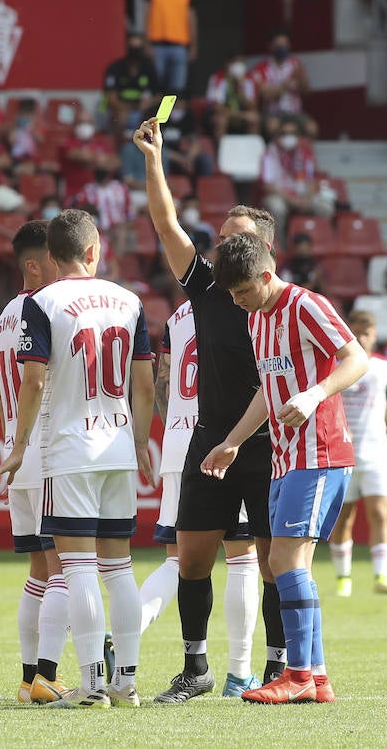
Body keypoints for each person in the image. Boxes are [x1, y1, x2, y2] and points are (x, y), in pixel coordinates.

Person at [131, 116, 288, 702]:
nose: (225, 245)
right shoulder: (206, 286)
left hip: (267, 445)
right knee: (192, 558)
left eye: (237, 238)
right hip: (208, 440)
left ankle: (277, 670)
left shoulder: (286, 301)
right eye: (222, 237)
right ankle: (195, 670)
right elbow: (165, 221)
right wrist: (154, 159)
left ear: (265, 249)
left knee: (273, 561)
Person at [0, 209, 155, 709]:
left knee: (74, 569)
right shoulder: (129, 300)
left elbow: (31, 380)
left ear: (51, 258)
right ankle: (127, 682)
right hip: (118, 446)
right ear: (95, 251)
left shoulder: (43, 302)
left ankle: (92, 684)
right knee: (120, 569)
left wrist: (17, 445)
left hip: (69, 449)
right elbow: (144, 383)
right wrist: (140, 441)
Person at [205, 230, 368, 705]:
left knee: (281, 562)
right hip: (285, 456)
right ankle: (315, 677)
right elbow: (267, 389)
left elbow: (357, 358)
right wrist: (233, 441)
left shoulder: (306, 305)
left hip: (319, 453)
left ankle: (295, 675)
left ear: (266, 274)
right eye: (231, 295)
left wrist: (316, 392)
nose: (237, 303)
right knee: (289, 565)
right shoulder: (258, 319)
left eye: (242, 292)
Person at [141, 299, 262, 698]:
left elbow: (163, 381)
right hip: (228, 439)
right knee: (243, 556)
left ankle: (123, 630)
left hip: (181, 443)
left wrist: (176, 429)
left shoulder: (180, 314)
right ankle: (240, 673)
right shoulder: (247, 306)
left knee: (179, 559)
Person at [0, 220, 70, 703]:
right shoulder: (41, 308)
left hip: (13, 452)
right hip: (39, 448)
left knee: (40, 572)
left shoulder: (2, 315)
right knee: (63, 568)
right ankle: (46, 674)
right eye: (56, 261)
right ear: (34, 264)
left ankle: (29, 679)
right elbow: (36, 381)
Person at [328, 311, 387, 598]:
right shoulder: (335, 366)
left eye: (367, 332)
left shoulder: (384, 368)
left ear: (375, 334)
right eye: (357, 332)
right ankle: (344, 577)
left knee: (380, 513)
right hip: (343, 454)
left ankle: (382, 575)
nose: (362, 337)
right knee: (344, 520)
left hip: (377, 452)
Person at [249, 30, 316, 140]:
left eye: (285, 45)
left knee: (311, 128)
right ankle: (275, 156)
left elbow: (306, 92)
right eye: (279, 45)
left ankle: (304, 156)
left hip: (294, 114)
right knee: (272, 126)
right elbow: (266, 95)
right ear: (271, 46)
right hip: (272, 114)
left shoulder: (296, 64)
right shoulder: (261, 68)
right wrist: (287, 82)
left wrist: (302, 80)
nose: (282, 48)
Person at [144, 0, 197, 95]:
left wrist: (193, 45)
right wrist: (146, 42)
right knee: (156, 86)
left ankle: (174, 117)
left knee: (177, 89)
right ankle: (155, 116)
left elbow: (191, 18)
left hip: (180, 46)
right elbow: (146, 14)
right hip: (157, 45)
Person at [100, 32, 160, 134]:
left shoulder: (149, 68)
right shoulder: (115, 68)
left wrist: (148, 103)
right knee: (120, 117)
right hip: (118, 109)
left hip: (143, 109)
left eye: (138, 47)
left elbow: (158, 94)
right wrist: (131, 108)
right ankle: (118, 148)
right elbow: (111, 98)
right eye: (132, 47)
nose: (135, 51)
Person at [205, 54, 260, 142]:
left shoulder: (249, 79)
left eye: (241, 62)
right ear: (228, 64)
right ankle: (221, 151)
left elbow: (252, 106)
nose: (238, 65)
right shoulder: (218, 78)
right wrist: (235, 114)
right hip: (224, 114)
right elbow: (217, 107)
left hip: (240, 114)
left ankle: (251, 151)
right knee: (221, 121)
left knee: (254, 118)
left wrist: (241, 91)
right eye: (236, 62)